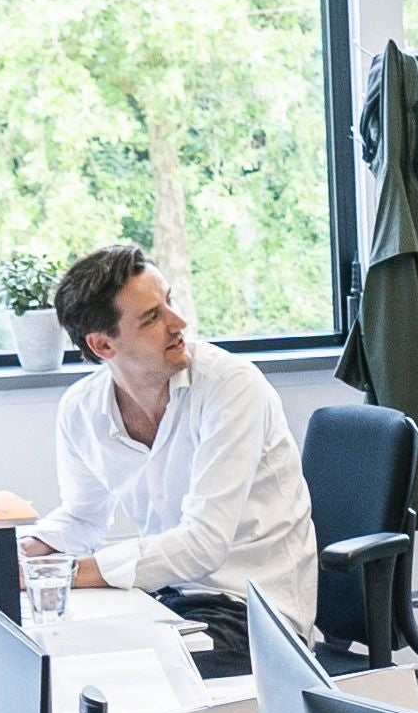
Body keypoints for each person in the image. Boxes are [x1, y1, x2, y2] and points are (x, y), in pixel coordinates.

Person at [35, 244, 320, 624]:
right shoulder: (81, 409)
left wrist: (67, 573)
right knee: (58, 649)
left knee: (116, 671)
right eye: (153, 317)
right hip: (165, 599)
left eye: (169, 302)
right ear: (103, 344)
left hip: (253, 612)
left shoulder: (231, 387)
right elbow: (84, 518)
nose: (178, 323)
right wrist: (26, 553)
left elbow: (203, 544)